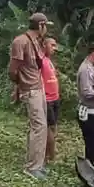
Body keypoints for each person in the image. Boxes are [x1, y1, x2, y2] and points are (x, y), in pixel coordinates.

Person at [9, 12, 50, 178]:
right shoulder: (21, 42)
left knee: (41, 127)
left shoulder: (36, 42)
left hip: (38, 87)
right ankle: (32, 167)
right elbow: (13, 69)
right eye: (45, 25)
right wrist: (20, 86)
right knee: (38, 126)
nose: (46, 29)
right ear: (40, 25)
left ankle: (37, 163)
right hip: (30, 89)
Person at [40, 36, 61, 166]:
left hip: (55, 98)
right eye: (52, 45)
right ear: (44, 46)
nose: (55, 48)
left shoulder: (49, 61)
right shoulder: (40, 60)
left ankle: (48, 153)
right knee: (49, 128)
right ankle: (51, 156)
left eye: (55, 45)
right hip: (47, 99)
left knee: (53, 127)